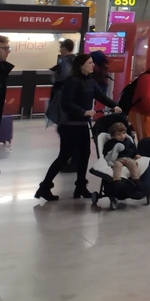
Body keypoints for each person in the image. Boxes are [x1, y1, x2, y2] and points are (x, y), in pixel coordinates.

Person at [36, 53, 120, 201]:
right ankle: (44, 187)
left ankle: (81, 186)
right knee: (64, 157)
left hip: (81, 125)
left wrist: (116, 106)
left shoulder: (91, 81)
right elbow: (67, 103)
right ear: (81, 65)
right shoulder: (72, 81)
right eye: (89, 63)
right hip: (69, 126)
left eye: (93, 62)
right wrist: (84, 112)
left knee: (84, 156)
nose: (93, 65)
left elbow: (101, 97)